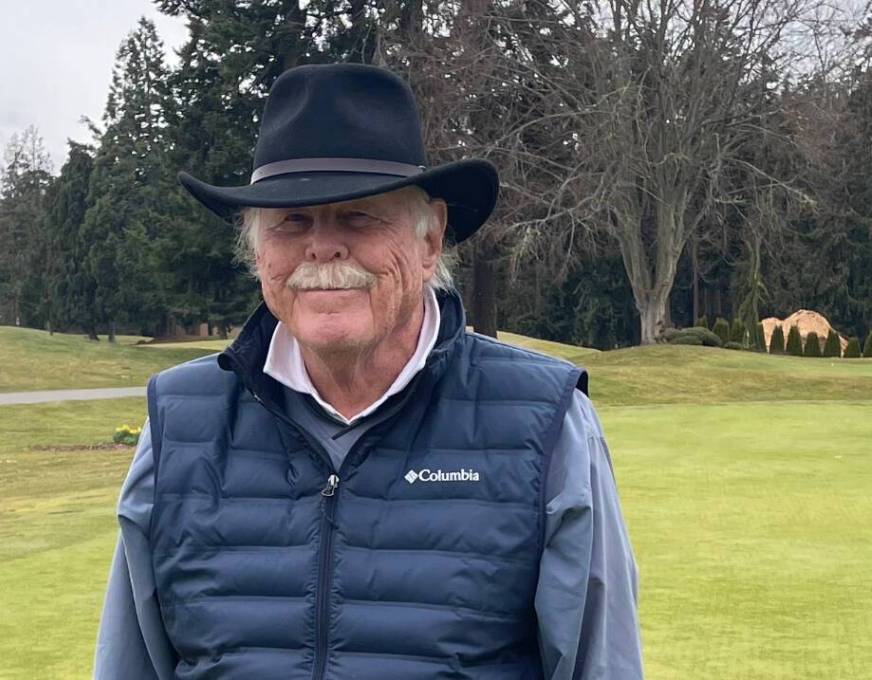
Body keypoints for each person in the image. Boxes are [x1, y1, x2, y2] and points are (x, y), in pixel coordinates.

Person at [94, 63, 643, 680]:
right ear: (258, 251)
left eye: (358, 216)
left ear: (430, 239)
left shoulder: (547, 420)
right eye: (292, 221)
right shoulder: (179, 421)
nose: (322, 246)